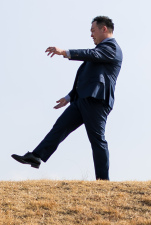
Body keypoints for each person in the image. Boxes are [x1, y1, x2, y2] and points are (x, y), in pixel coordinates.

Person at [12, 16, 122, 180]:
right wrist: (69, 97)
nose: (91, 35)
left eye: (93, 30)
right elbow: (88, 77)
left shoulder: (111, 47)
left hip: (96, 100)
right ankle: (36, 156)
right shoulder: (100, 51)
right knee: (60, 127)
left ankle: (103, 180)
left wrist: (64, 52)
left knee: (97, 140)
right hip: (83, 99)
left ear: (104, 29)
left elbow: (92, 55)